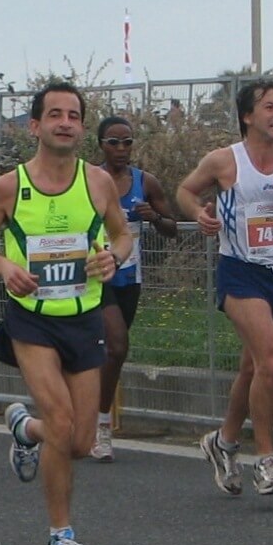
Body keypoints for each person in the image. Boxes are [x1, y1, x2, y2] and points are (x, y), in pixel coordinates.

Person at [0, 83, 131, 545]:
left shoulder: (97, 182)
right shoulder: (9, 187)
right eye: (54, 114)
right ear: (34, 126)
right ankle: (61, 537)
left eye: (73, 115)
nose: (65, 122)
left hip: (83, 318)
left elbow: (123, 235)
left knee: (78, 441)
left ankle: (23, 428)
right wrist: (4, 268)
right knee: (62, 422)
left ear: (81, 126)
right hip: (31, 321)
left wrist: (112, 259)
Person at [177, 79, 273, 497]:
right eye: (270, 107)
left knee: (253, 367)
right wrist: (199, 215)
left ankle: (222, 443)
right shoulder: (225, 161)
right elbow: (186, 191)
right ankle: (266, 460)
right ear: (247, 116)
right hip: (239, 271)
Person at [90, 117, 177, 462]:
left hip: (130, 277)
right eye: (114, 142)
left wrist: (153, 217)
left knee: (111, 352)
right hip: (98, 275)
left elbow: (173, 229)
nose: (122, 149)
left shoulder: (145, 182)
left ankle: (86, 411)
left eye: (128, 142)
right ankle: (101, 426)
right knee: (117, 345)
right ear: (101, 144)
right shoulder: (89, 179)